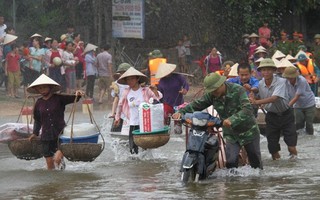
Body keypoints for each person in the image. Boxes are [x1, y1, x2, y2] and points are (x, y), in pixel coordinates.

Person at [172, 73, 263, 169]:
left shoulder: (238, 90)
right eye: (211, 91)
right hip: (231, 133)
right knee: (231, 162)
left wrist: (232, 119)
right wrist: (181, 112)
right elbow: (197, 104)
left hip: (248, 130)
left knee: (255, 163)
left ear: (221, 84)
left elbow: (247, 109)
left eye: (215, 90)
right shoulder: (212, 95)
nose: (214, 93)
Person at [28, 74, 84, 170]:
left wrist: (77, 94)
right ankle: (53, 183)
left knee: (57, 158)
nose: (42, 90)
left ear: (50, 87)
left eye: (44, 87)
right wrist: (35, 133)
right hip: (46, 136)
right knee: (50, 166)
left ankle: (61, 181)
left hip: (60, 134)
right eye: (40, 88)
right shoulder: (39, 103)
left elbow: (73, 97)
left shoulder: (59, 98)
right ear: (37, 90)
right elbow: (37, 120)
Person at [249, 58, 298, 160]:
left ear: (274, 70)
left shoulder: (281, 81)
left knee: (291, 146)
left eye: (269, 70)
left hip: (286, 115)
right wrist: (253, 94)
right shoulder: (260, 83)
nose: (266, 72)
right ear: (260, 71)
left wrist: (257, 102)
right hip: (271, 116)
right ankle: (278, 167)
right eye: (263, 70)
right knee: (273, 148)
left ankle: (294, 162)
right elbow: (258, 95)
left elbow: (274, 98)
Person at [114, 67, 162, 154]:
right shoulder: (126, 92)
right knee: (133, 150)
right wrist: (117, 118)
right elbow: (120, 105)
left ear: (137, 79)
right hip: (132, 123)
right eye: (128, 79)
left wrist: (155, 91)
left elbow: (157, 100)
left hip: (145, 124)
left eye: (132, 79)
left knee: (145, 149)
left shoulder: (145, 90)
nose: (130, 81)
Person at [156, 63, 189, 134]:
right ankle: (166, 128)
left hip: (178, 102)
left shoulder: (178, 77)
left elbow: (185, 84)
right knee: (165, 115)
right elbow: (159, 94)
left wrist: (184, 90)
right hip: (167, 102)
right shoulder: (162, 81)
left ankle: (178, 127)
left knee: (178, 119)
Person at [282, 66, 316, 135]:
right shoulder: (285, 82)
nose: (289, 79)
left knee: (309, 124)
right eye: (288, 78)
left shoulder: (302, 80)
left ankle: (310, 138)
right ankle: (300, 140)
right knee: (298, 124)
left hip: (309, 104)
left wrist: (287, 106)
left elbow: (297, 96)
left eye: (291, 78)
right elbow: (285, 94)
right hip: (297, 105)